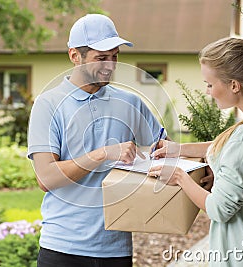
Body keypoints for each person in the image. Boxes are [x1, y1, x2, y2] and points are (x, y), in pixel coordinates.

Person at [27, 14, 165, 267]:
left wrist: (203, 168)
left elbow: (164, 151)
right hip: (62, 248)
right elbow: (46, 178)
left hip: (116, 248)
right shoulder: (48, 105)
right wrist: (103, 154)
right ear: (74, 56)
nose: (110, 65)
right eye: (101, 58)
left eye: (115, 56)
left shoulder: (130, 103)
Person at [149, 37, 243, 266]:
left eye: (210, 84)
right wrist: (178, 149)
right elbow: (226, 146)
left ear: (234, 85)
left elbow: (218, 209)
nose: (207, 91)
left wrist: (179, 177)